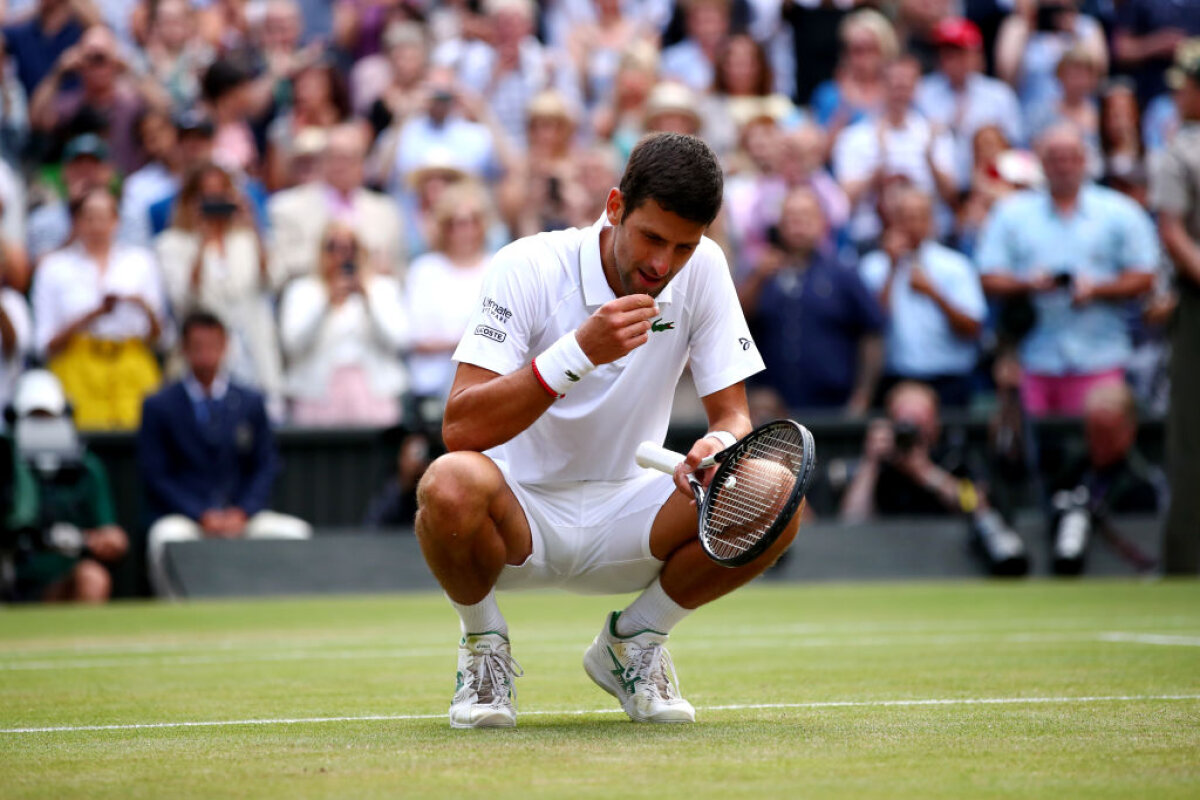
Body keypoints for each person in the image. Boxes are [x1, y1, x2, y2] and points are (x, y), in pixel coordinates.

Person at [416, 133, 799, 728]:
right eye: (652, 238)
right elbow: (460, 425)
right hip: (519, 520)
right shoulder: (527, 265)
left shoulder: (704, 270)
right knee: (447, 483)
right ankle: (483, 649)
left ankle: (636, 642)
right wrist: (577, 354)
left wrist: (718, 447)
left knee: (776, 491)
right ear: (615, 207)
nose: (662, 265)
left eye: (683, 247)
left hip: (634, 514)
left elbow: (733, 416)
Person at [975, 123, 1158, 416]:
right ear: (1042, 163)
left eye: (1070, 157)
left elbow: (1146, 275)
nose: (1063, 166)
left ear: (1084, 161)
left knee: (1097, 445)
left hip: (1100, 355)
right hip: (1032, 358)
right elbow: (987, 277)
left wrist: (1096, 289)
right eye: (1055, 158)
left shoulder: (1120, 212)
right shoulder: (1011, 213)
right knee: (1034, 454)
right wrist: (1029, 285)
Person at [138, 311, 311, 599]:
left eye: (213, 345)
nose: (206, 354)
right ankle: (175, 612)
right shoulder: (159, 406)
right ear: (184, 349)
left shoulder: (251, 401)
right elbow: (156, 476)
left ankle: (277, 610)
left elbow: (266, 466)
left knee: (297, 534)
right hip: (186, 519)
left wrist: (241, 512)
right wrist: (201, 514)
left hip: (241, 516)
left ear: (225, 346)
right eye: (197, 346)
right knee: (163, 539)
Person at [737, 185, 884, 415]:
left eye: (806, 217)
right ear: (780, 225)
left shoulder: (843, 273)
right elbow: (734, 323)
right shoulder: (761, 272)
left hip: (833, 408)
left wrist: (862, 396)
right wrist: (757, 278)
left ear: (822, 222)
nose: (798, 225)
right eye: (792, 218)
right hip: (772, 411)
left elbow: (873, 332)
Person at [155, 162, 284, 417]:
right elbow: (184, 301)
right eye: (205, 195)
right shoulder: (172, 244)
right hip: (204, 360)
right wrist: (202, 244)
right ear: (191, 200)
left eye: (220, 194)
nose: (213, 201)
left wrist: (255, 228)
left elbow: (274, 281)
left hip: (255, 353)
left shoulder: (247, 239)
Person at [30, 187, 166, 430]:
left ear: (117, 221)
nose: (97, 226)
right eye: (89, 217)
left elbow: (160, 337)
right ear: (77, 222)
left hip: (132, 367)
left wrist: (142, 305)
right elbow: (44, 344)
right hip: (76, 368)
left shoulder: (141, 262)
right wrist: (92, 315)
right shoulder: (53, 267)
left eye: (104, 217)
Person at [6, 369, 128, 602]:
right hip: (14, 577)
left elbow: (112, 535)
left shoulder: (86, 468)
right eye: (33, 418)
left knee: (92, 578)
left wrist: (85, 539)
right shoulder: (6, 466)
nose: (41, 427)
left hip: (61, 581)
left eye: (48, 418)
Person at [860, 187, 986, 408]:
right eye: (905, 218)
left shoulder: (955, 266)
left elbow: (973, 328)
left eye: (919, 217)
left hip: (948, 377)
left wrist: (935, 294)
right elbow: (871, 326)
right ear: (893, 221)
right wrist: (891, 269)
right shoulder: (874, 266)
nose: (912, 225)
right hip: (894, 377)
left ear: (931, 222)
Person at [278, 221, 410, 427]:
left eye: (350, 247)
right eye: (333, 247)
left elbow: (398, 341)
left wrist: (367, 300)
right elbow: (293, 345)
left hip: (374, 396)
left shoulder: (383, 288)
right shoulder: (302, 290)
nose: (342, 255)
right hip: (316, 397)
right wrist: (326, 303)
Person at [1150, 39, 1200, 574]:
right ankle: (1187, 562)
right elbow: (1173, 234)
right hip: (1197, 305)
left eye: (1187, 86)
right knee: (1191, 438)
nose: (1179, 95)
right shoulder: (1181, 151)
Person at [833, 54, 958, 250]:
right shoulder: (855, 137)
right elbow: (844, 200)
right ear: (881, 86)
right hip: (871, 239)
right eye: (894, 85)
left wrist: (929, 158)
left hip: (929, 239)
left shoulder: (935, 133)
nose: (900, 93)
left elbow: (952, 197)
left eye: (906, 86)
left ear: (917, 89)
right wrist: (877, 169)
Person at [269, 122, 406, 283]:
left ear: (362, 163)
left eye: (348, 158)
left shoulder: (386, 211)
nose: (341, 166)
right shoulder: (287, 207)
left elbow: (400, 271)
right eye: (334, 157)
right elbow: (279, 269)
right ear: (322, 161)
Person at [405, 181, 495, 404]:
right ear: (444, 228)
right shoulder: (424, 270)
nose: (466, 231)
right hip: (431, 387)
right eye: (456, 223)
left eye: (473, 221)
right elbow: (416, 336)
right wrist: (471, 342)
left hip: (487, 386)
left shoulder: (498, 266)